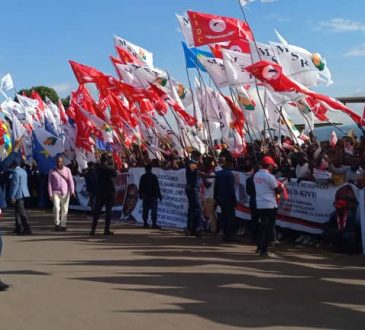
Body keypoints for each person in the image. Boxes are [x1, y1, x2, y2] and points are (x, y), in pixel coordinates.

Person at [254, 156, 283, 256]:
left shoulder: (256, 175)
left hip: (260, 205)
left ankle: (259, 246)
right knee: (268, 228)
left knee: (262, 226)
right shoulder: (270, 177)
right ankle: (264, 250)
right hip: (270, 205)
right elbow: (277, 190)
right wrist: (282, 186)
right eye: (272, 165)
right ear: (269, 165)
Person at [90, 153, 117, 235]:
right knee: (108, 212)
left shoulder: (98, 168)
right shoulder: (111, 168)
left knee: (96, 212)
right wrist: (112, 164)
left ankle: (93, 229)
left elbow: (95, 167)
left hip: (100, 192)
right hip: (109, 192)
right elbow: (115, 175)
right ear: (108, 160)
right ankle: (106, 230)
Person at [214, 155, 237, 242]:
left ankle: (225, 235)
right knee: (230, 219)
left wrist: (216, 197)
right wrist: (234, 201)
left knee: (224, 217)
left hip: (220, 199)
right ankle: (228, 236)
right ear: (229, 163)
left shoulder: (219, 174)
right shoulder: (230, 175)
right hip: (228, 200)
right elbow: (231, 189)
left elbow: (216, 187)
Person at [48, 155, 75, 231]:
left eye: (60, 161)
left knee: (65, 209)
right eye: (57, 162)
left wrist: (72, 191)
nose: (59, 163)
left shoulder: (67, 170)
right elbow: (49, 183)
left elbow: (71, 181)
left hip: (65, 192)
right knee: (56, 208)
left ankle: (63, 225)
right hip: (55, 192)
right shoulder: (52, 171)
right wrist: (50, 194)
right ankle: (57, 223)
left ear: (63, 162)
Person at [8, 159, 32, 235]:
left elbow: (15, 185)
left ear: (13, 165)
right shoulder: (23, 171)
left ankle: (26, 228)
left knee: (21, 211)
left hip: (18, 194)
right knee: (17, 211)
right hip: (24, 192)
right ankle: (18, 227)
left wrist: (12, 196)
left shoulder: (15, 172)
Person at [138, 164, 162, 229]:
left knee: (145, 210)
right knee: (153, 210)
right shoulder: (154, 176)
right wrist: (159, 195)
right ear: (151, 169)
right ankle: (153, 224)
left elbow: (140, 187)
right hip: (153, 196)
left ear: (145, 169)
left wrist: (140, 194)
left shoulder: (143, 177)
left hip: (146, 196)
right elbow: (157, 187)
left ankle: (145, 223)